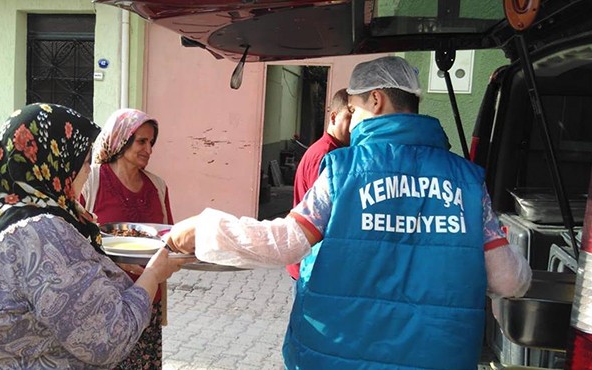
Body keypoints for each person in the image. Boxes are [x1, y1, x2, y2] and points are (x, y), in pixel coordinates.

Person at [165, 56, 532, 369]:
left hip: (339, 354)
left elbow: (287, 243)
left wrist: (205, 228)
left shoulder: (344, 171)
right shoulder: (467, 181)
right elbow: (508, 281)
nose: (350, 120)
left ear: (376, 100)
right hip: (438, 355)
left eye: (352, 109)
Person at [0, 103, 190, 369]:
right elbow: (106, 338)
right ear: (56, 163)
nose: (87, 171)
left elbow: (33, 285)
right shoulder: (44, 233)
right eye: (83, 162)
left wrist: (103, 264)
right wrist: (152, 275)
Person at [81, 108, 173, 370]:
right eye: (141, 141)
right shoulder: (91, 181)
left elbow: (170, 238)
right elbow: (72, 238)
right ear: (121, 140)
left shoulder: (158, 186)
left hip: (147, 300)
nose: (149, 149)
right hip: (103, 302)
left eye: (151, 142)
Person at [287, 88, 351, 281]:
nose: (354, 126)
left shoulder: (337, 151)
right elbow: (326, 215)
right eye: (349, 117)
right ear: (333, 117)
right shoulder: (325, 156)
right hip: (310, 262)